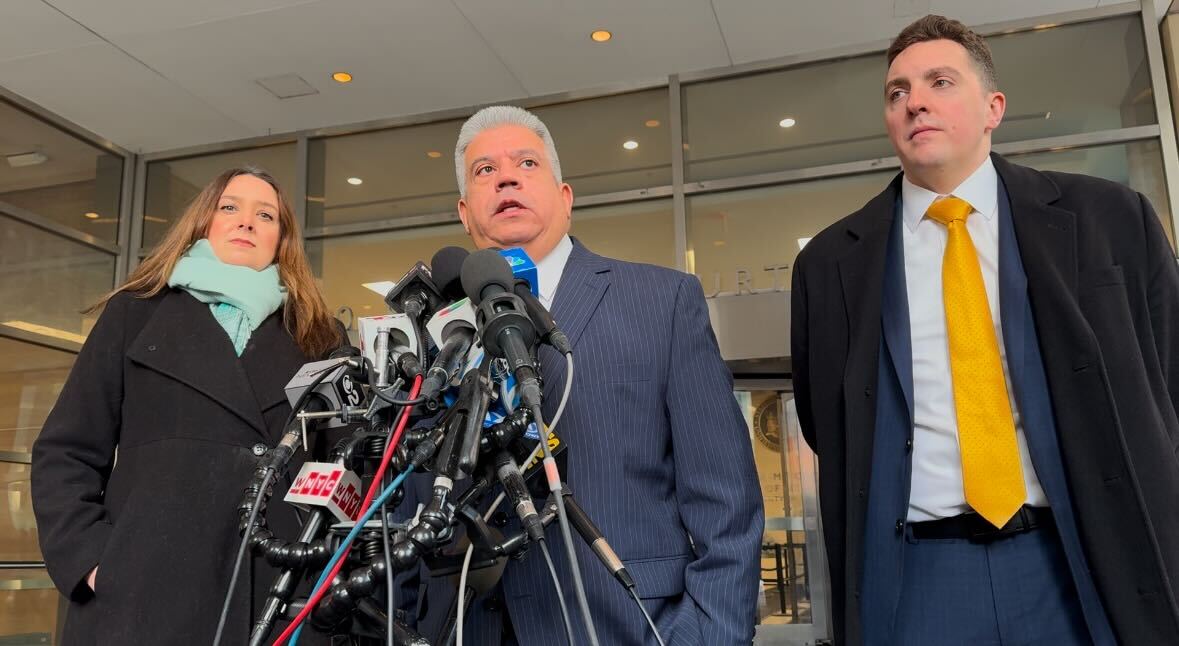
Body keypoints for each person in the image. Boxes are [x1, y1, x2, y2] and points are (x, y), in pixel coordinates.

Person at [791, 14, 1179, 645]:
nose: (914, 101)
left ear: (994, 107)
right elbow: (825, 419)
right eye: (897, 93)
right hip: (919, 576)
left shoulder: (1111, 221)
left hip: (1081, 561)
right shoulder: (830, 264)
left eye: (939, 81)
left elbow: (1167, 379)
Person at [398, 105, 764, 645]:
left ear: (565, 198)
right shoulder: (432, 335)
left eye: (527, 162)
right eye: (484, 171)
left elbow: (726, 504)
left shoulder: (662, 302)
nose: (505, 176)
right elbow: (406, 506)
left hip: (628, 627)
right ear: (465, 213)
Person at [31, 167, 343, 644]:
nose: (247, 222)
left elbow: (344, 468)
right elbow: (66, 450)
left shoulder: (319, 336)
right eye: (230, 207)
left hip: (275, 593)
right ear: (203, 223)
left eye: (266, 215)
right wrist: (93, 560)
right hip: (144, 595)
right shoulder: (135, 313)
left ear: (282, 240)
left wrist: (326, 575)